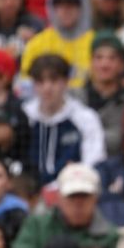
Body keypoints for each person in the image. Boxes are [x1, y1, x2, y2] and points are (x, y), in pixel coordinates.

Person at [13, 163, 118, 248]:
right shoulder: (36, 226)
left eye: (84, 196)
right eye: (72, 197)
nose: (78, 204)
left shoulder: (110, 236)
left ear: (96, 198)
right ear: (59, 198)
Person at [22, 54, 106, 184]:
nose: (47, 88)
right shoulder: (24, 115)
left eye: (54, 80)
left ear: (66, 81)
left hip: (72, 189)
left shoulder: (85, 117)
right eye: (40, 81)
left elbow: (94, 162)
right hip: (28, 192)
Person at [20, 0, 95, 91]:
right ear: (52, 8)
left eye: (71, 4)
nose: (66, 10)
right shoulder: (36, 44)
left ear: (82, 7)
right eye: (60, 5)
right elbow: (25, 87)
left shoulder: (95, 42)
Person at [84, 31, 124, 157]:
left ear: (122, 65)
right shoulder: (74, 98)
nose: (104, 64)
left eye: (112, 58)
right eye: (99, 58)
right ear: (91, 62)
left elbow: (120, 139)